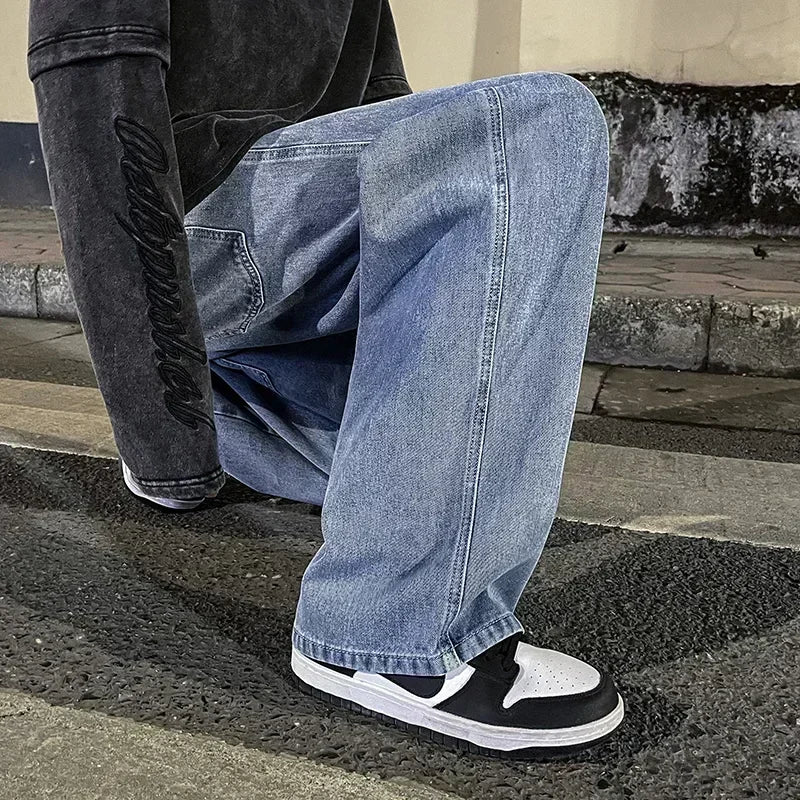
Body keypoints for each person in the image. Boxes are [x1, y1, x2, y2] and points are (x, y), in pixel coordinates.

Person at [29, 0, 622, 758]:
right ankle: (386, 632)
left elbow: (379, 95)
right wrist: (163, 445)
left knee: (458, 457)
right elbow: (95, 125)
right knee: (538, 121)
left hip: (296, 215)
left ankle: (239, 421)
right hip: (191, 219)